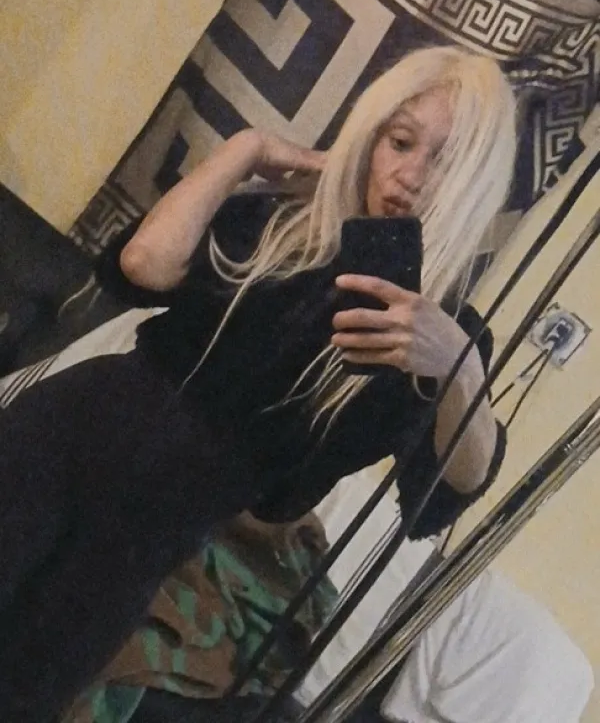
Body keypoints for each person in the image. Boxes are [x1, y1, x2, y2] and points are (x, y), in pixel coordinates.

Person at [0, 45, 516, 721]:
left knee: (24, 694)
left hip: (149, 530)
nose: (411, 175)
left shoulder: (448, 334)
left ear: (475, 179)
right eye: (399, 141)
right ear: (371, 137)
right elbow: (140, 267)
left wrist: (460, 368)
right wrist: (243, 152)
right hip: (63, 434)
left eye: (444, 160)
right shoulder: (280, 227)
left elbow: (443, 496)